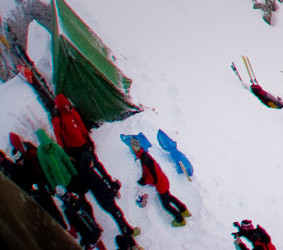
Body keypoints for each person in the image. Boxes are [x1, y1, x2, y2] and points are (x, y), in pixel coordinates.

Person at [52, 93, 129, 232]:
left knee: (96, 164)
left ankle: (107, 181)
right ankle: (97, 185)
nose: (69, 105)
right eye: (67, 104)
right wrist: (67, 153)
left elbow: (80, 125)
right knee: (87, 170)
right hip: (74, 149)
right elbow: (59, 137)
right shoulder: (58, 119)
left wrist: (88, 139)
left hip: (83, 144)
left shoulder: (72, 112)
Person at [127, 137, 189, 226]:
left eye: (133, 147)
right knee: (169, 197)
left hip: (161, 185)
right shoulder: (145, 155)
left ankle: (180, 220)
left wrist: (144, 181)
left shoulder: (144, 160)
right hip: (164, 180)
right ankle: (184, 210)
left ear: (135, 148)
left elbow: (152, 176)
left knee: (166, 205)